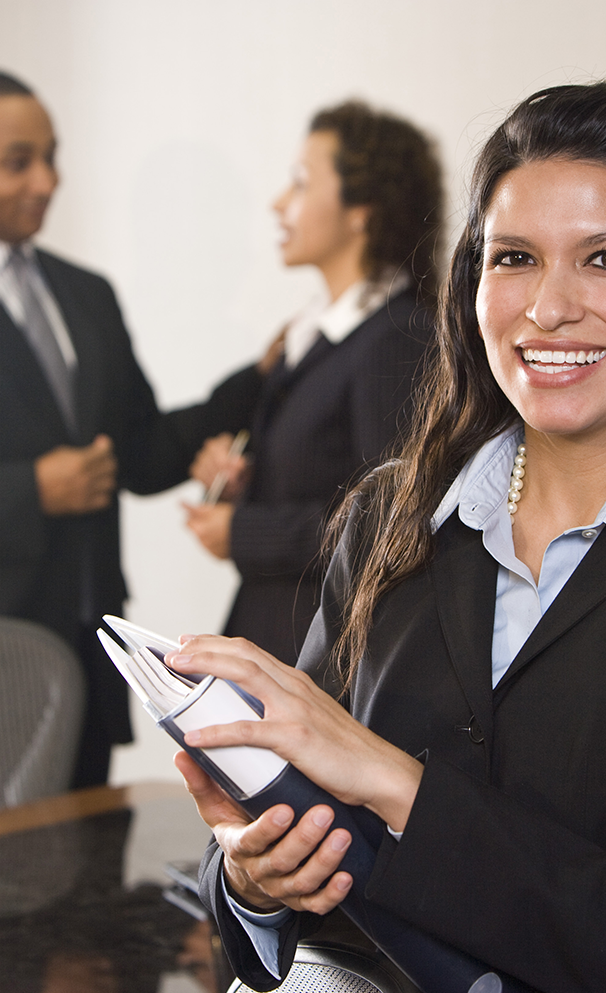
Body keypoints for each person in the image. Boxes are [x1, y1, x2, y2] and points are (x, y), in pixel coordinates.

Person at [165, 82, 606, 993]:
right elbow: (300, 848)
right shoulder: (389, 516)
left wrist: (387, 780)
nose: (549, 308)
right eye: (516, 259)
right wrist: (254, 879)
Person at [0, 69, 260, 788]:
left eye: (52, 157)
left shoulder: (86, 294)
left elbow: (132, 454)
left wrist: (256, 387)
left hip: (83, 657)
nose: (46, 180)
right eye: (20, 161)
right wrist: (30, 492)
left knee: (81, 882)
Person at [183, 101, 442, 665]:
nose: (279, 202)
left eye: (300, 183)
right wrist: (242, 485)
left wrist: (245, 532)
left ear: (362, 212)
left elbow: (395, 519)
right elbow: (325, 483)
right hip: (279, 638)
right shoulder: (314, 336)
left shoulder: (399, 339)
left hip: (323, 663)